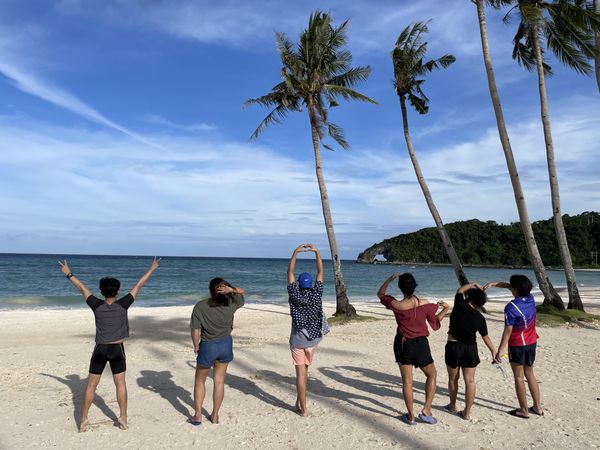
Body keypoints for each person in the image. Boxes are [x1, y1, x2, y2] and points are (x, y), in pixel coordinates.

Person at [59, 257, 160, 432]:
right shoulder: (123, 304)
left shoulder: (96, 305)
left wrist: (68, 273)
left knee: (91, 385)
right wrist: (152, 268)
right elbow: (139, 285)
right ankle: (123, 418)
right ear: (118, 291)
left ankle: (84, 420)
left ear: (101, 291)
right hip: (116, 349)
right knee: (120, 384)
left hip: (100, 349)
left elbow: (82, 288)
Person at [377, 273, 449, 426]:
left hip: (402, 344)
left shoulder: (396, 305)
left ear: (400, 288)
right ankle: (426, 410)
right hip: (420, 344)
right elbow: (435, 325)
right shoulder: (426, 304)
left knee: (407, 382)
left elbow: (381, 294)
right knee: (432, 374)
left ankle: (410, 417)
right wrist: (446, 309)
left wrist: (389, 278)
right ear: (414, 286)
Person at [484, 275, 544, 419]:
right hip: (531, 342)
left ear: (515, 289)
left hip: (517, 345)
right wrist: (493, 283)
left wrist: (500, 350)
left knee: (518, 377)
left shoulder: (511, 307)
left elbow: (508, 330)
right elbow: (510, 286)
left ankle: (524, 410)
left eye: (512, 286)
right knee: (530, 374)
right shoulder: (530, 299)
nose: (510, 287)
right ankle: (537, 407)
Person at [189, 278, 245, 425]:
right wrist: (232, 290)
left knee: (199, 381)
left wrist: (196, 346)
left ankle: (198, 415)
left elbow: (195, 329)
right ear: (225, 289)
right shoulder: (231, 303)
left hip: (208, 345)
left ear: (210, 290)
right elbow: (242, 292)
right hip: (225, 344)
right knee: (219, 381)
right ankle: (215, 415)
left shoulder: (201, 306)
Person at [287, 243, 329, 417]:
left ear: (298, 284)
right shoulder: (316, 293)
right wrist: (317, 252)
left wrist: (295, 252)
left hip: (297, 340)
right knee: (305, 371)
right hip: (313, 340)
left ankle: (303, 408)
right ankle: (299, 402)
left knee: (300, 375)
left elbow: (289, 272)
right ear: (311, 284)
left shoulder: (293, 294)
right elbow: (320, 272)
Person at [444, 282, 496, 421]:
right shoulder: (480, 317)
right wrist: (493, 351)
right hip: (470, 349)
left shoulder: (460, 305)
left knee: (453, 379)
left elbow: (460, 289)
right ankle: (467, 413)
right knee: (470, 381)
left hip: (454, 346)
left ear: (469, 298)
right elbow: (485, 337)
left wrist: (474, 284)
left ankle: (453, 405)